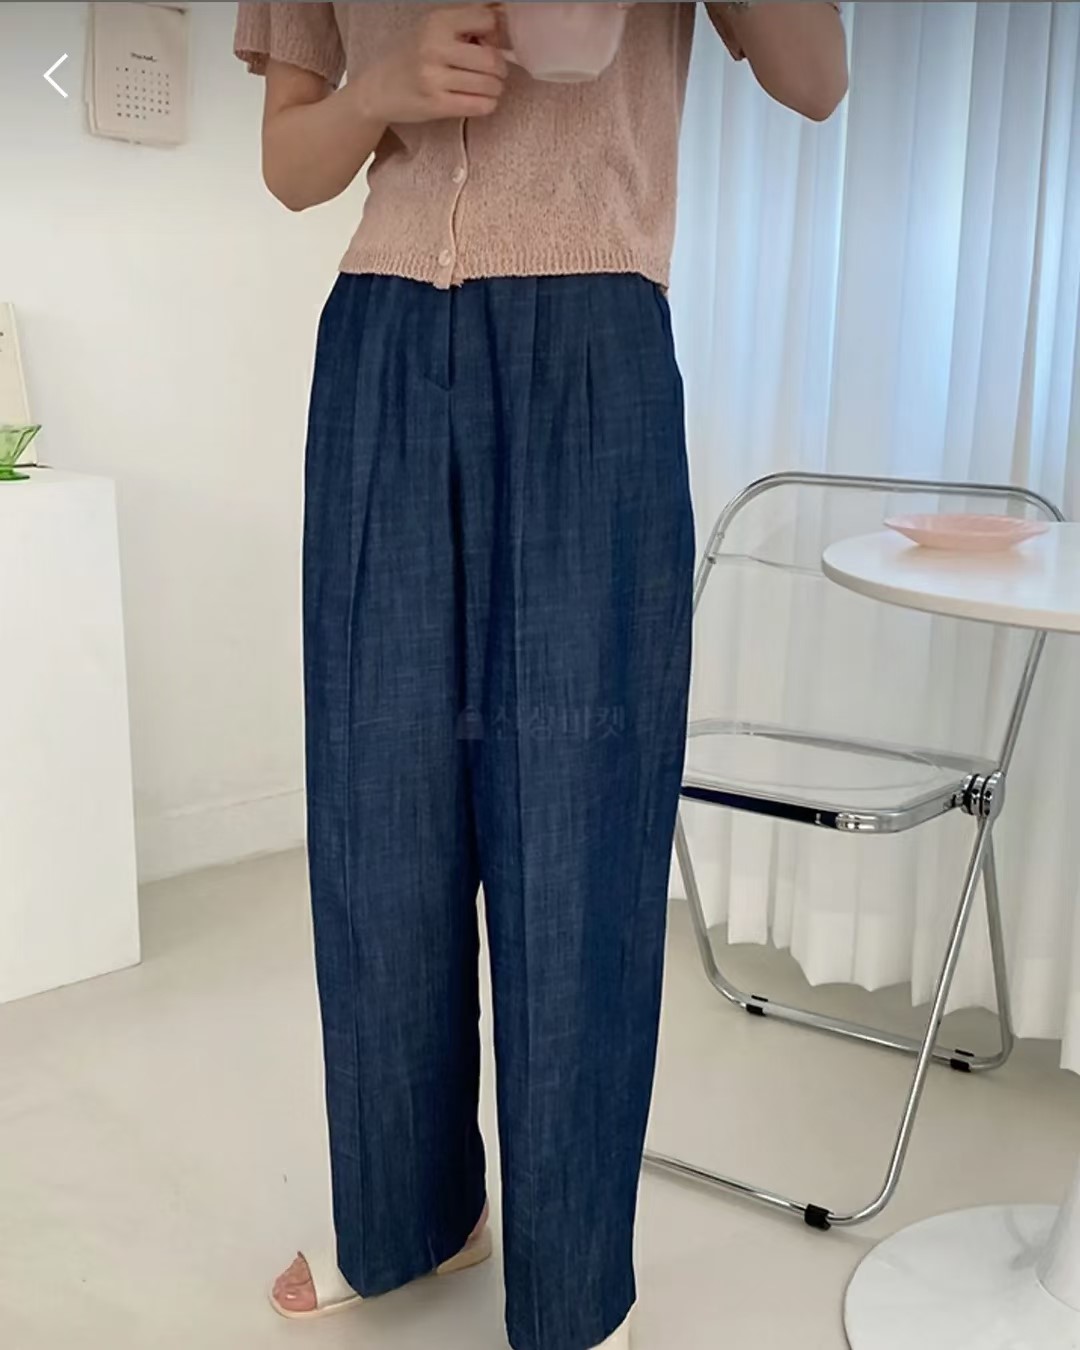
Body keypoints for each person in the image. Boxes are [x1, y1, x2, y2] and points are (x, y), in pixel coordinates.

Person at [233, 4, 847, 1348]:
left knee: (579, 832)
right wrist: (379, 89)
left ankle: (573, 1287)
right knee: (379, 824)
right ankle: (412, 1213)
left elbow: (818, 78)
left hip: (591, 341)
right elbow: (289, 163)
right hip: (381, 345)